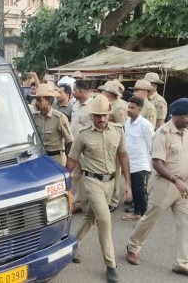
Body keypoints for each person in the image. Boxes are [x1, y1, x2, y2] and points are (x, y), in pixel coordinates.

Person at [66, 94, 132, 283]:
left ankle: (72, 245)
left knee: (91, 217)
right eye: (97, 115)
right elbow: (72, 160)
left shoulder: (118, 131)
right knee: (105, 220)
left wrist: (127, 183)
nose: (101, 119)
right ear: (92, 115)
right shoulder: (83, 135)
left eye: (104, 115)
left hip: (111, 183)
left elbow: (123, 157)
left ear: (109, 114)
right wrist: (63, 184)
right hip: (92, 182)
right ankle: (110, 265)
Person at [126, 98, 188, 277]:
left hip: (182, 185)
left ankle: (182, 262)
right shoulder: (163, 133)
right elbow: (157, 163)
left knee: (185, 223)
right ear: (176, 115)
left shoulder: (186, 131)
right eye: (187, 116)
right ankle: (133, 246)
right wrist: (176, 179)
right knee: (150, 218)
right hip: (165, 184)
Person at [122, 96, 154, 221]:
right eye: (128, 107)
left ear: (140, 109)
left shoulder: (145, 124)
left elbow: (152, 144)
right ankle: (137, 213)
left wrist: (152, 164)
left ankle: (145, 217)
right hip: (129, 162)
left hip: (141, 163)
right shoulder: (127, 122)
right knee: (134, 190)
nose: (129, 110)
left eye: (132, 108)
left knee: (140, 190)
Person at [33, 84, 73, 166]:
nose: (37, 102)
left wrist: (64, 155)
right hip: (41, 157)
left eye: (40, 100)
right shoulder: (35, 117)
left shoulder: (59, 118)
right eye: (36, 99)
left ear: (49, 100)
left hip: (56, 159)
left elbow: (70, 141)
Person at [103, 80, 128, 212]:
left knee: (116, 172)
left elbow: (121, 127)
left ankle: (114, 200)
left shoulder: (118, 107)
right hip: (106, 142)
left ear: (110, 93)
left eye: (105, 91)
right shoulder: (109, 105)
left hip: (115, 143)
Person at [70, 80, 93, 214]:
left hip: (87, 147)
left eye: (74, 90)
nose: (73, 92)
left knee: (90, 175)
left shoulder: (93, 106)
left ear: (82, 91)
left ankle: (93, 201)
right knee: (76, 175)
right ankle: (77, 203)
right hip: (75, 145)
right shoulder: (76, 104)